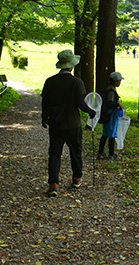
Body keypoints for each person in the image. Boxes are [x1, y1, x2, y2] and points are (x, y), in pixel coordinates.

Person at [41, 50, 96, 197]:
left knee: (54, 154)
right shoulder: (77, 82)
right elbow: (80, 104)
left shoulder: (50, 81)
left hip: (55, 124)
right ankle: (76, 179)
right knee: (76, 152)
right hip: (73, 124)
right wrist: (91, 112)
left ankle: (53, 184)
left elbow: (45, 102)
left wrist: (44, 118)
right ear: (71, 66)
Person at [97, 71, 125, 160]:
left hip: (107, 115)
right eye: (119, 81)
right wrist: (118, 105)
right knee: (112, 135)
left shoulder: (109, 90)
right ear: (115, 82)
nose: (120, 82)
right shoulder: (111, 92)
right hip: (110, 116)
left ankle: (100, 153)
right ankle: (111, 154)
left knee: (105, 134)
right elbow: (109, 104)